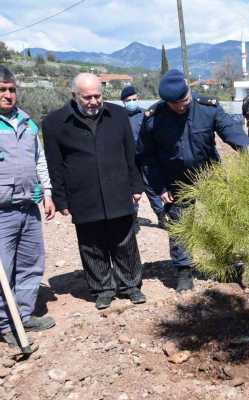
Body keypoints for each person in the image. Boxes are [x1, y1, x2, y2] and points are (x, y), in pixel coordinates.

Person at [139, 69, 249, 292]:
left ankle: (225, 264)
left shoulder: (207, 108)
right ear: (166, 101)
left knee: (222, 221)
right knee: (180, 226)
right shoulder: (154, 119)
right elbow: (146, 157)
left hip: (211, 176)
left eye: (184, 100)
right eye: (175, 103)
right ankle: (184, 271)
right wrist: (160, 187)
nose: (181, 106)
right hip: (176, 181)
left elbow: (231, 131)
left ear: (189, 91)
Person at [43, 73, 145, 310]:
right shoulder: (55, 123)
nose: (93, 101)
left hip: (117, 187)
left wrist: (136, 185)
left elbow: (130, 153)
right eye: (87, 97)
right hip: (82, 193)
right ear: (74, 96)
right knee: (91, 243)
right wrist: (60, 198)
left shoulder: (118, 115)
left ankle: (130, 285)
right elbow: (54, 165)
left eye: (97, 96)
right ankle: (102, 288)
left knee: (125, 239)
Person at [0, 66, 56, 346]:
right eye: (2, 90)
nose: (8, 95)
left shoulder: (27, 122)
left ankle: (23, 314)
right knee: (3, 269)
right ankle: (4, 322)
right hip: (2, 212)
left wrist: (46, 192)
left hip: (28, 206)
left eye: (11, 89)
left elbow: (39, 160)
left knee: (31, 263)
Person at [120, 85, 166, 229]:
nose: (132, 102)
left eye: (134, 99)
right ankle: (132, 220)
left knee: (152, 189)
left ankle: (162, 217)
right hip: (128, 161)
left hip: (146, 158)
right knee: (132, 191)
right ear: (123, 101)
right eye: (129, 100)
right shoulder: (119, 117)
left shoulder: (145, 115)